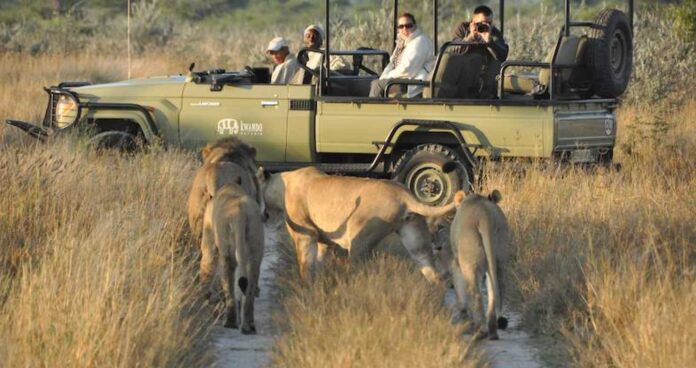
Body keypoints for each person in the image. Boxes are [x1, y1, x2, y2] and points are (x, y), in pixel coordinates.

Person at [369, 13, 435, 98]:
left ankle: (371, 110)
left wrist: (386, 78)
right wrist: (383, 78)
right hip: (403, 80)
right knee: (373, 83)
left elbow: (407, 69)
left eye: (408, 26)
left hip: (414, 83)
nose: (405, 29)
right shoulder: (402, 43)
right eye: (401, 26)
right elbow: (392, 64)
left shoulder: (420, 41)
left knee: (377, 85)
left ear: (415, 26)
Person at [452, 5, 509, 98]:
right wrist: (470, 37)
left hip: (486, 79)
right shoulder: (463, 28)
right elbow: (454, 50)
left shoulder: (494, 33)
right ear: (473, 22)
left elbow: (502, 56)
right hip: (463, 77)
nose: (485, 26)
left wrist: (489, 42)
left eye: (489, 23)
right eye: (481, 23)